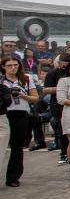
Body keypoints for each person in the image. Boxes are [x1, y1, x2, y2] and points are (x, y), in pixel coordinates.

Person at [2, 56, 39, 187]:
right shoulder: (2, 81)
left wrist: (23, 96)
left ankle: (13, 177)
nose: (13, 68)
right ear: (3, 67)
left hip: (21, 113)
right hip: (5, 113)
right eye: (9, 66)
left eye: (15, 65)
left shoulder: (26, 79)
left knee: (17, 147)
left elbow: (35, 98)